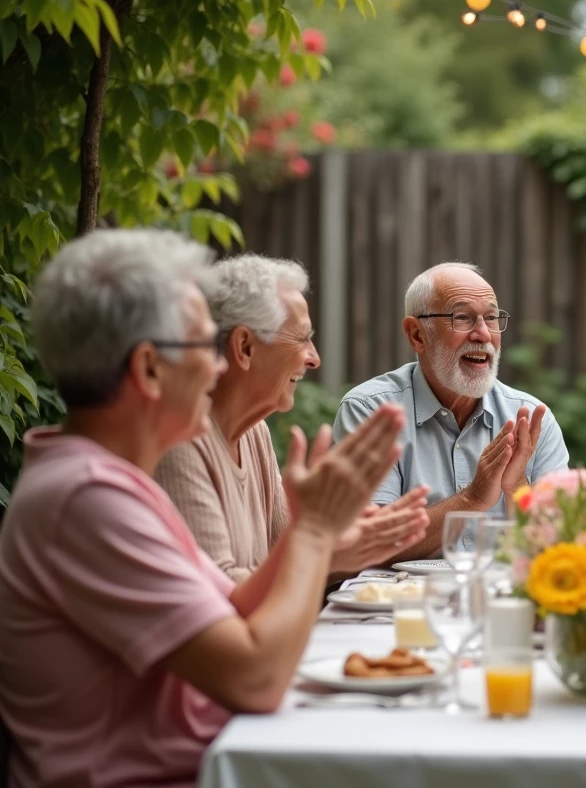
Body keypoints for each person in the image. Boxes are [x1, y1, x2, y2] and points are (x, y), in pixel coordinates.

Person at [0, 230, 404, 787]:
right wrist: (312, 534)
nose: (216, 369)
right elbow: (255, 679)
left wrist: (324, 533)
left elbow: (236, 603)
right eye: (200, 347)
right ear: (148, 370)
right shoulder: (86, 499)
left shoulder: (113, 484)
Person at [155, 254, 429, 581]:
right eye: (302, 338)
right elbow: (217, 594)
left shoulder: (253, 431)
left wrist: (336, 532)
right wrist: (321, 550)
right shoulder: (180, 443)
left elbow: (283, 557)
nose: (314, 358)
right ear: (245, 347)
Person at [333, 262, 569, 559]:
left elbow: (560, 550)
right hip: (401, 603)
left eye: (491, 317)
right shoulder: (370, 412)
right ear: (417, 334)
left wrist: (517, 488)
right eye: (463, 318)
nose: (483, 334)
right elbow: (366, 545)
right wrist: (472, 499)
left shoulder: (533, 419)